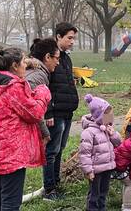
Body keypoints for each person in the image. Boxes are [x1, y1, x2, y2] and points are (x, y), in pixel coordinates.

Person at [0, 48, 51, 211]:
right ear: (14, 66)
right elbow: (34, 113)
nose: (26, 65)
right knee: (11, 202)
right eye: (24, 62)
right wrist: (42, 93)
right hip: (11, 153)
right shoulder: (14, 87)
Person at [43, 22, 79, 200]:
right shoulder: (49, 58)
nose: (72, 41)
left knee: (60, 149)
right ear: (58, 37)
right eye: (69, 38)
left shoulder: (66, 57)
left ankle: (56, 183)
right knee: (51, 151)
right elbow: (44, 87)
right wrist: (48, 112)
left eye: (74, 38)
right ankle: (49, 190)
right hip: (55, 114)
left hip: (67, 112)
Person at [79, 94, 122, 211]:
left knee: (104, 192)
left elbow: (118, 143)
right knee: (94, 194)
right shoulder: (89, 132)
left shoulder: (107, 128)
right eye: (107, 115)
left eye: (110, 114)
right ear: (99, 116)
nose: (110, 117)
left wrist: (113, 134)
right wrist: (88, 171)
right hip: (95, 170)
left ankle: (102, 208)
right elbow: (84, 154)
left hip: (107, 167)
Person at [25, 38, 61, 144]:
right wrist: (45, 133)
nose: (58, 63)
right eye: (57, 58)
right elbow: (32, 108)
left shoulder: (35, 72)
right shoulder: (38, 76)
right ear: (47, 57)